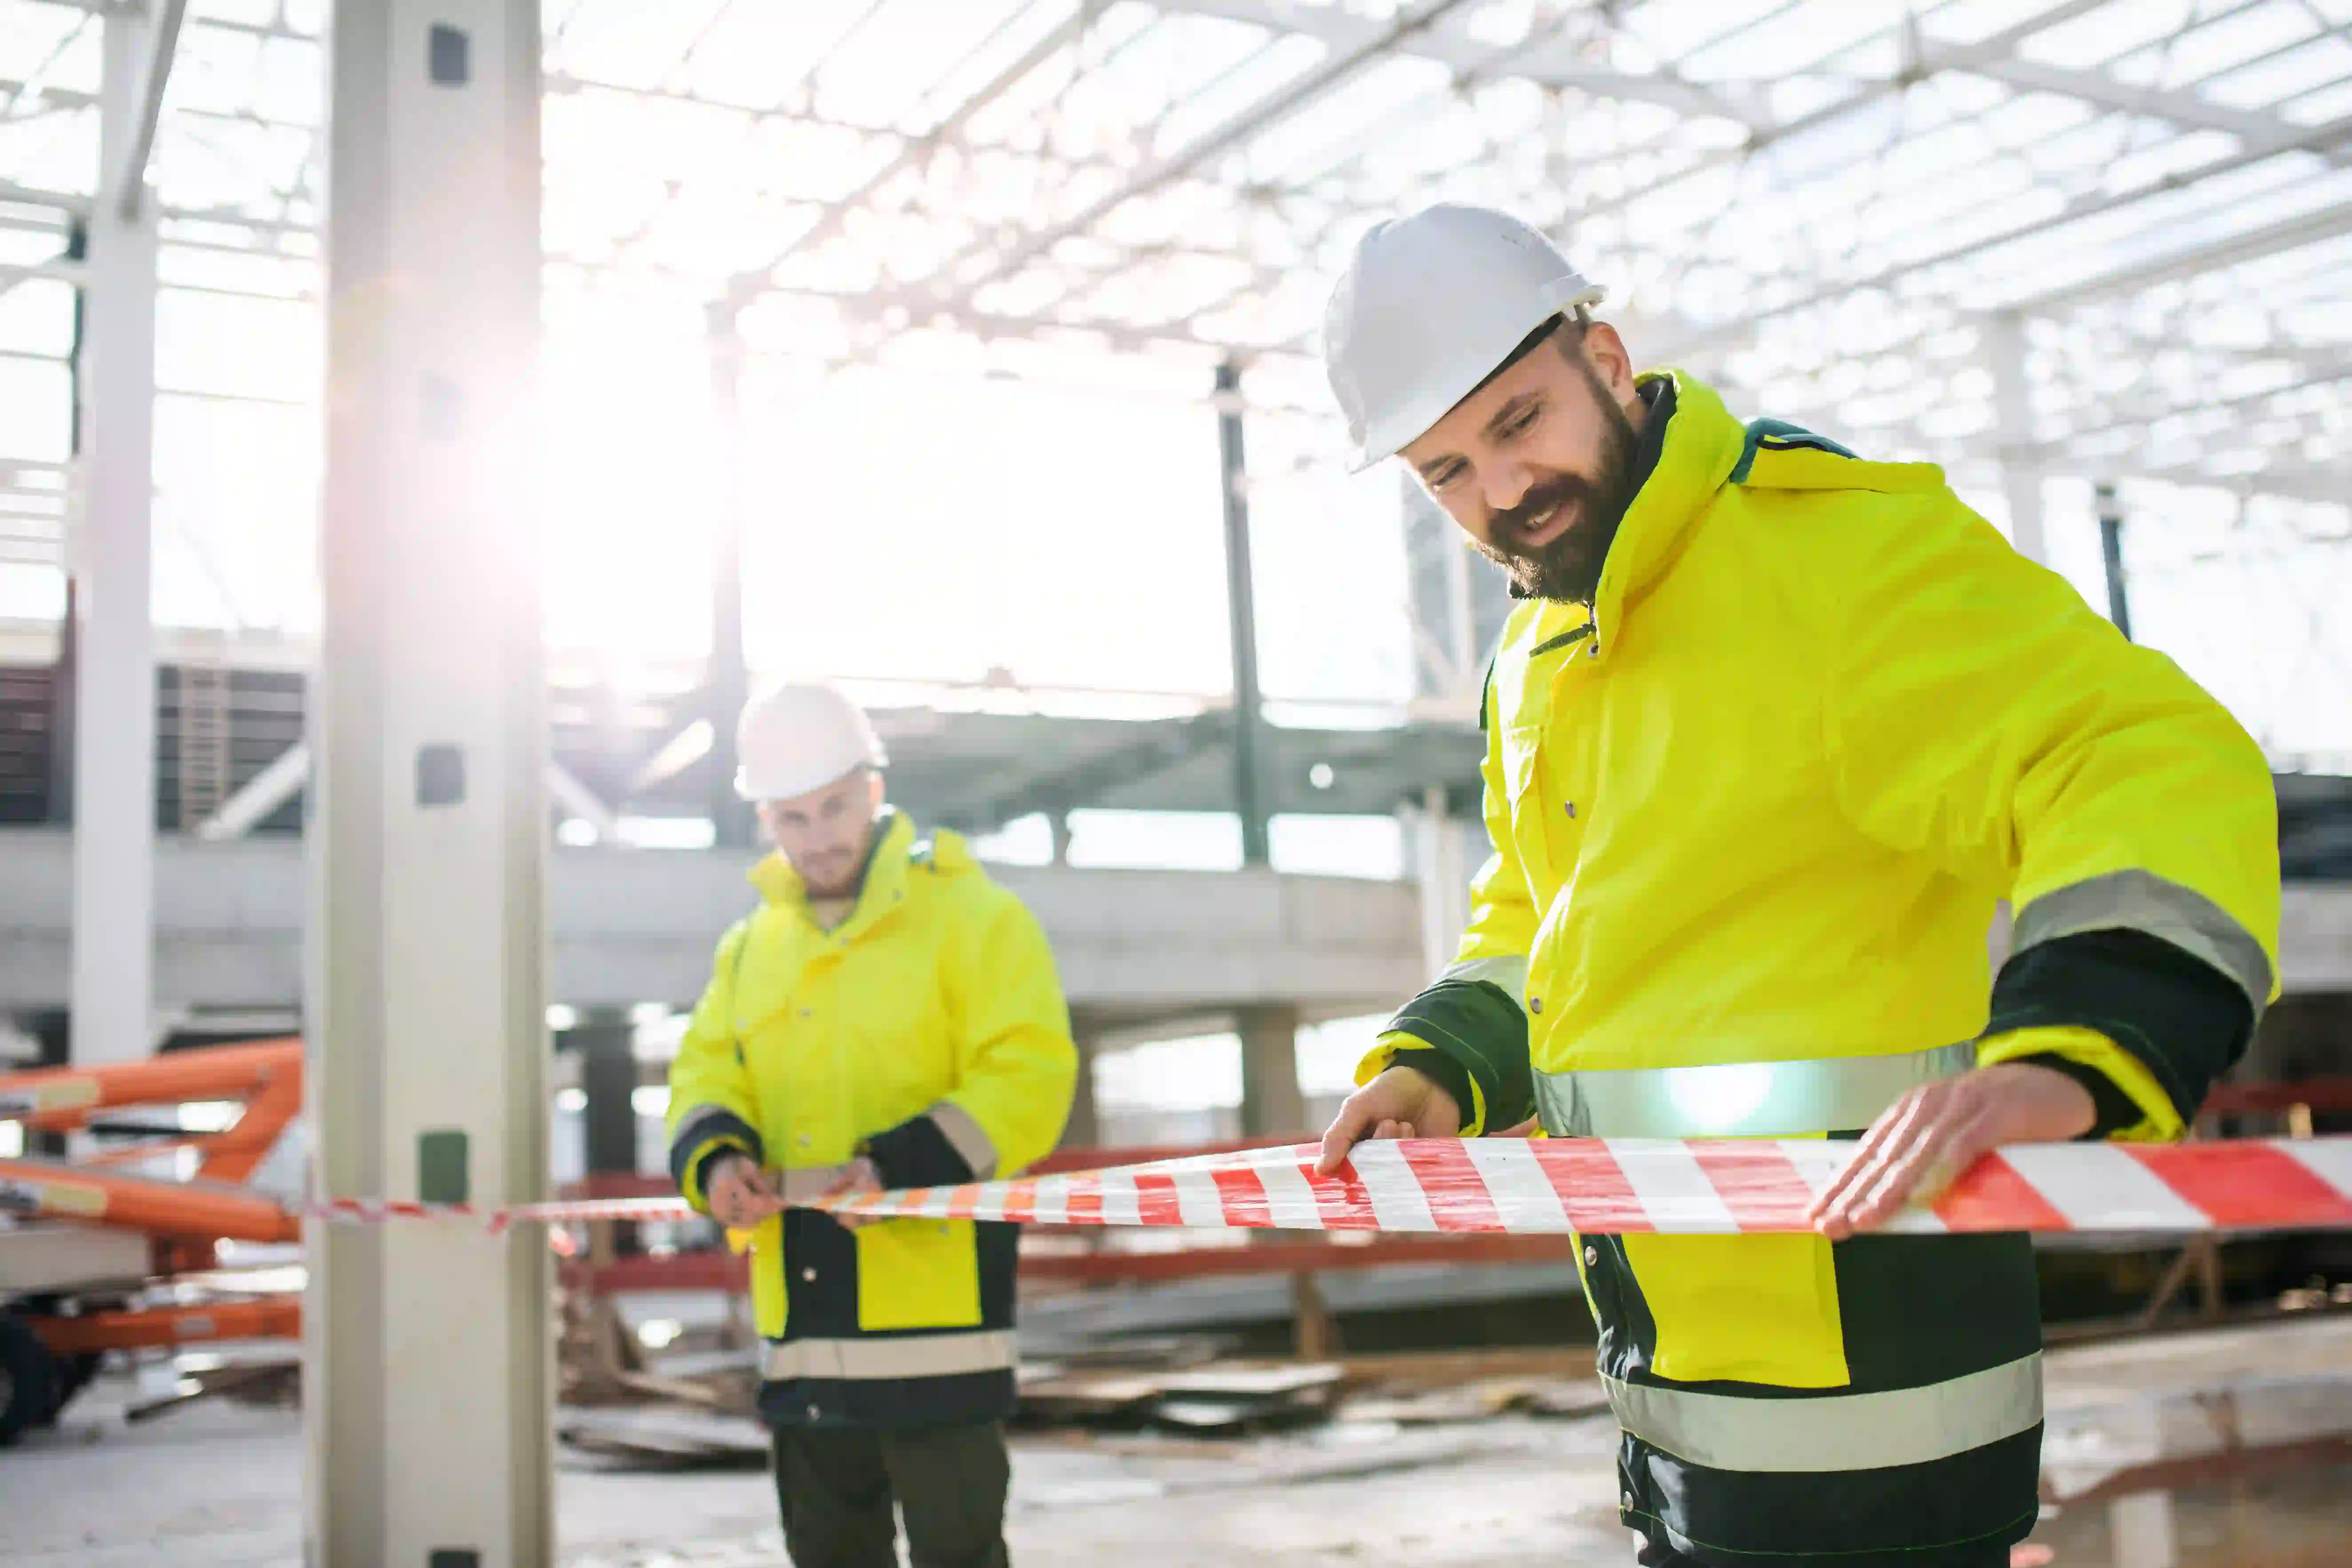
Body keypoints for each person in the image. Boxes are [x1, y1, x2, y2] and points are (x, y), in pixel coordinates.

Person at [1314, 205, 2279, 1567]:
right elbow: (1544, 922)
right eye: (1447, 472)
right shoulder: (1537, 660)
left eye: (1521, 421)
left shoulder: (1833, 559)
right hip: (1679, 1407)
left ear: (1605, 355)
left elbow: (2133, 751)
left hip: (1879, 1421)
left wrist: (2089, 1036)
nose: (1502, 492)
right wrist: (1441, 1063)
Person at [665, 682, 1077, 1568]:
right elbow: (703, 1071)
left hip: (940, 1336)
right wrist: (718, 1156)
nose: (819, 837)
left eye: (835, 808)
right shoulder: (748, 950)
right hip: (805, 1339)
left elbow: (1031, 1074)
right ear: (767, 819)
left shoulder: (975, 920)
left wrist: (899, 1166)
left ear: (874, 792)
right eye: (793, 817)